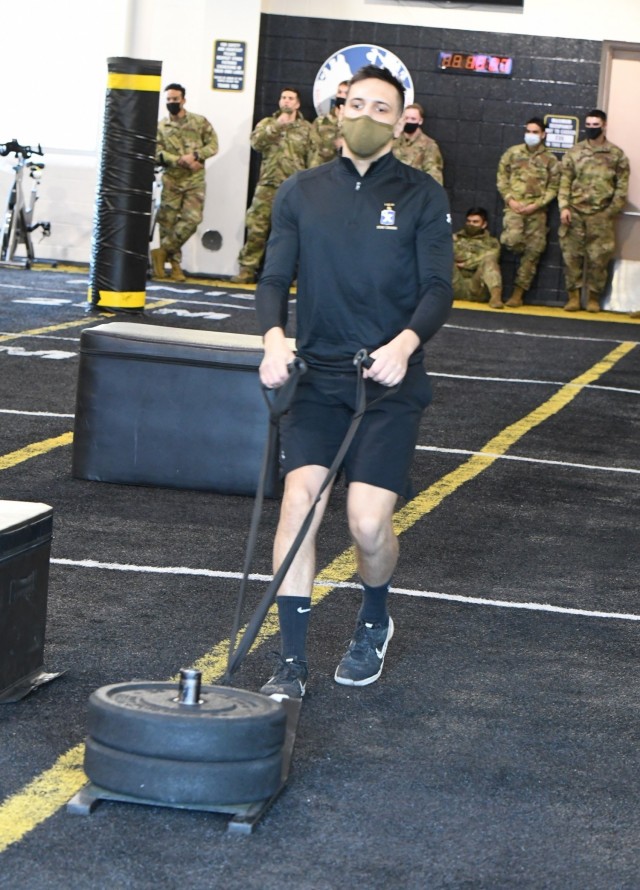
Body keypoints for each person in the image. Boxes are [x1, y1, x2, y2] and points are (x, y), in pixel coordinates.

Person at [255, 65, 453, 700]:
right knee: (299, 505)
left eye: (382, 107)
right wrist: (272, 339)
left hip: (387, 385)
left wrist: (405, 344)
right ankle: (291, 659)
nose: (367, 115)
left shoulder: (424, 194)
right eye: (357, 103)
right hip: (317, 379)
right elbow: (271, 279)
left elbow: (438, 288)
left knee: (367, 524)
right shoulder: (301, 190)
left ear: (401, 120)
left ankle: (374, 617)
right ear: (339, 110)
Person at [231, 88, 311, 284]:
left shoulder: (307, 129)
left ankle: (292, 273)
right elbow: (256, 144)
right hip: (267, 185)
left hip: (294, 187)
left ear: (298, 104)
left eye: (291, 99)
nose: (286, 102)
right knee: (256, 226)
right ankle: (247, 269)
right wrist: (276, 126)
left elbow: (312, 158)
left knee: (294, 232)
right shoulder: (267, 123)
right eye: (283, 97)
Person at [558, 109, 630, 312]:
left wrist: (609, 212)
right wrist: (564, 207)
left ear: (604, 125)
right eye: (588, 125)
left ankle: (593, 299)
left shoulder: (616, 155)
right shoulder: (574, 152)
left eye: (594, 125)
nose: (590, 129)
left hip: (601, 214)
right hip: (575, 213)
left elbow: (621, 188)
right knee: (572, 257)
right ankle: (573, 297)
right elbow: (564, 182)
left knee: (599, 259)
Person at [152, 83, 219, 282]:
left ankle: (162, 251)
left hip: (194, 181)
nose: (172, 102)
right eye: (169, 100)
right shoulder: (161, 127)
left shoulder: (199, 122)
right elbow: (156, 152)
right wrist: (180, 160)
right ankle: (174, 266)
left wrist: (196, 156)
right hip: (171, 180)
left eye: (175, 99)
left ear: (183, 100)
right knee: (168, 223)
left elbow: (213, 144)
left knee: (192, 220)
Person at [497, 117, 560, 307]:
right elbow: (502, 177)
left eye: (535, 132)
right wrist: (510, 199)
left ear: (543, 134)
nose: (531, 135)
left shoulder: (551, 160)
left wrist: (538, 204)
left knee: (533, 253)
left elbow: (554, 187)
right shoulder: (512, 153)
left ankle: (518, 294)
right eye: (528, 131)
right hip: (514, 207)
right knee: (512, 240)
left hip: (537, 212)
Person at [452, 208, 504, 309]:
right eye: (468, 221)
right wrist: (474, 258)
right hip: (455, 282)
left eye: (475, 222)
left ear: (484, 224)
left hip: (477, 286)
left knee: (489, 260)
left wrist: (464, 263)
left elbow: (489, 257)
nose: (471, 224)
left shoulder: (492, 243)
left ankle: (496, 298)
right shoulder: (455, 238)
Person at [391, 102, 443, 185]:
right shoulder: (392, 142)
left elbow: (434, 177)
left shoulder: (429, 146)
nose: (409, 121)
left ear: (420, 121)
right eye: (406, 118)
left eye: (413, 119)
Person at [308, 81, 348, 167]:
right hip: (319, 170)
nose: (342, 96)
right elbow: (314, 148)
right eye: (339, 92)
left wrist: (342, 121)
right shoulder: (321, 121)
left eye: (346, 93)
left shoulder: (356, 124)